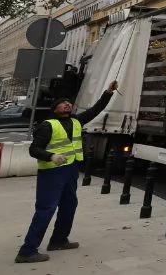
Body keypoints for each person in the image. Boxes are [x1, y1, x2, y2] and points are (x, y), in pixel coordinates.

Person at [15, 81, 117, 264]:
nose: (67, 104)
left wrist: (108, 93)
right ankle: (27, 250)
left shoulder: (76, 121)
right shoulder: (48, 125)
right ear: (55, 109)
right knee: (46, 209)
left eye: (69, 103)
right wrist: (51, 156)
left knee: (69, 205)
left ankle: (59, 240)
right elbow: (34, 149)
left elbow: (96, 110)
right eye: (63, 103)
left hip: (71, 170)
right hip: (52, 172)